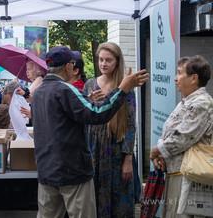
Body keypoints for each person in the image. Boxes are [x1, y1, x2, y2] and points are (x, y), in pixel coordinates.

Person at [31, 46, 148, 218]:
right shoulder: (67, 90)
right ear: (66, 67)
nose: (103, 63)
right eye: (72, 62)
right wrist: (122, 90)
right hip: (72, 171)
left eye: (108, 60)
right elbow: (97, 114)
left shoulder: (38, 92)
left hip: (47, 170)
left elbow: (62, 120)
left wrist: (87, 102)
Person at [150, 55, 213, 218]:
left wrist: (157, 150)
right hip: (176, 174)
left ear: (194, 78)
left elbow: (183, 137)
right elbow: (168, 132)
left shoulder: (202, 103)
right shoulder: (186, 102)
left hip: (188, 178)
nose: (175, 78)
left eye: (179, 73)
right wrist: (161, 154)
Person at [83, 42, 136, 218]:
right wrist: (88, 101)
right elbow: (83, 117)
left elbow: (131, 124)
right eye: (100, 60)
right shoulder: (90, 85)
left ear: (117, 62)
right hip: (94, 151)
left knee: (119, 204)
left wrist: (128, 159)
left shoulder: (125, 86)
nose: (103, 64)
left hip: (117, 151)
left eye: (108, 60)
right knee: (94, 200)